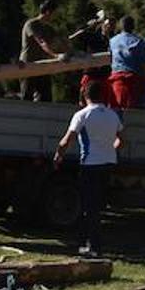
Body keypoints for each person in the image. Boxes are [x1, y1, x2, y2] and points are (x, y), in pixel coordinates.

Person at [54, 81, 125, 257]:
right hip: (108, 163)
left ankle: (93, 246)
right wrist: (111, 149)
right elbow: (121, 139)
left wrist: (58, 156)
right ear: (102, 95)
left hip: (90, 163)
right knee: (97, 205)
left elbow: (67, 139)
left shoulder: (82, 115)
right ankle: (89, 242)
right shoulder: (112, 115)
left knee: (89, 207)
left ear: (85, 96)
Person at [20, 0, 67, 102]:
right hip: (28, 66)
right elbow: (42, 42)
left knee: (46, 98)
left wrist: (72, 52)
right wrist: (56, 56)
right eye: (55, 13)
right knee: (26, 98)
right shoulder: (31, 24)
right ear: (48, 12)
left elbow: (60, 42)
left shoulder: (49, 28)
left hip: (43, 66)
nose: (55, 16)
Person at [107, 16, 145, 111]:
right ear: (133, 27)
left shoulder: (112, 41)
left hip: (115, 80)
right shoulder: (138, 42)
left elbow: (111, 59)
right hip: (133, 81)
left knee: (115, 110)